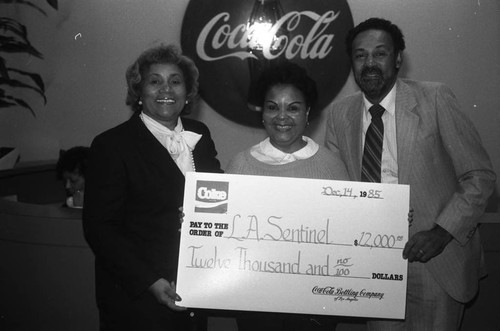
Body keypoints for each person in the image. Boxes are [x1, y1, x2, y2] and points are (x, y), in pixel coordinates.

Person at [324, 17, 496, 330]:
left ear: (399, 58)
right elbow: (336, 189)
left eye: (380, 53)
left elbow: (479, 176)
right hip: (373, 263)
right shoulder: (339, 114)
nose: (370, 63)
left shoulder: (435, 98)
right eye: (360, 55)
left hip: (435, 260)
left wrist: (442, 232)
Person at [82, 43, 222, 331]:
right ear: (139, 92)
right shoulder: (111, 145)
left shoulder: (201, 135)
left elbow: (217, 198)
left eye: (175, 81)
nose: (166, 90)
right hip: (137, 299)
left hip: (194, 287)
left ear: (188, 91)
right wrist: (150, 282)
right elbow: (100, 228)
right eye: (154, 81)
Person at [226, 62, 349, 330]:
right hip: (254, 301)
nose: (282, 116)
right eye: (272, 107)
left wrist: (388, 216)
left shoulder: (331, 166)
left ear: (308, 113)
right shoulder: (239, 166)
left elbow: (349, 236)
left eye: (293, 108)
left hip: (315, 304)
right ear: (262, 113)